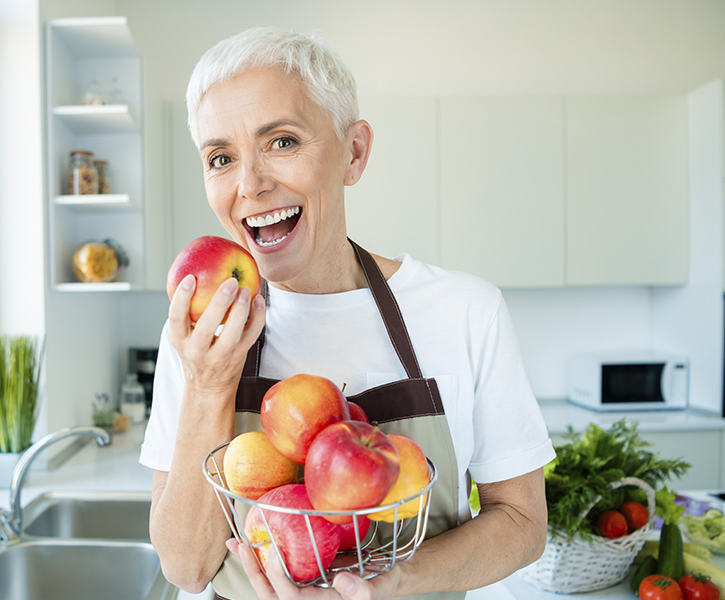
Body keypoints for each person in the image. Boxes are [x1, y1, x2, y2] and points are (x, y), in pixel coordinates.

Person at [139, 26, 556, 600]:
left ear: (353, 153)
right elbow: (185, 567)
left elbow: (523, 523)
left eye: (282, 141)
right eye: (220, 157)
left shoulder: (465, 311)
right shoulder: (198, 334)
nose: (250, 184)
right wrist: (210, 385)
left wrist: (390, 582)